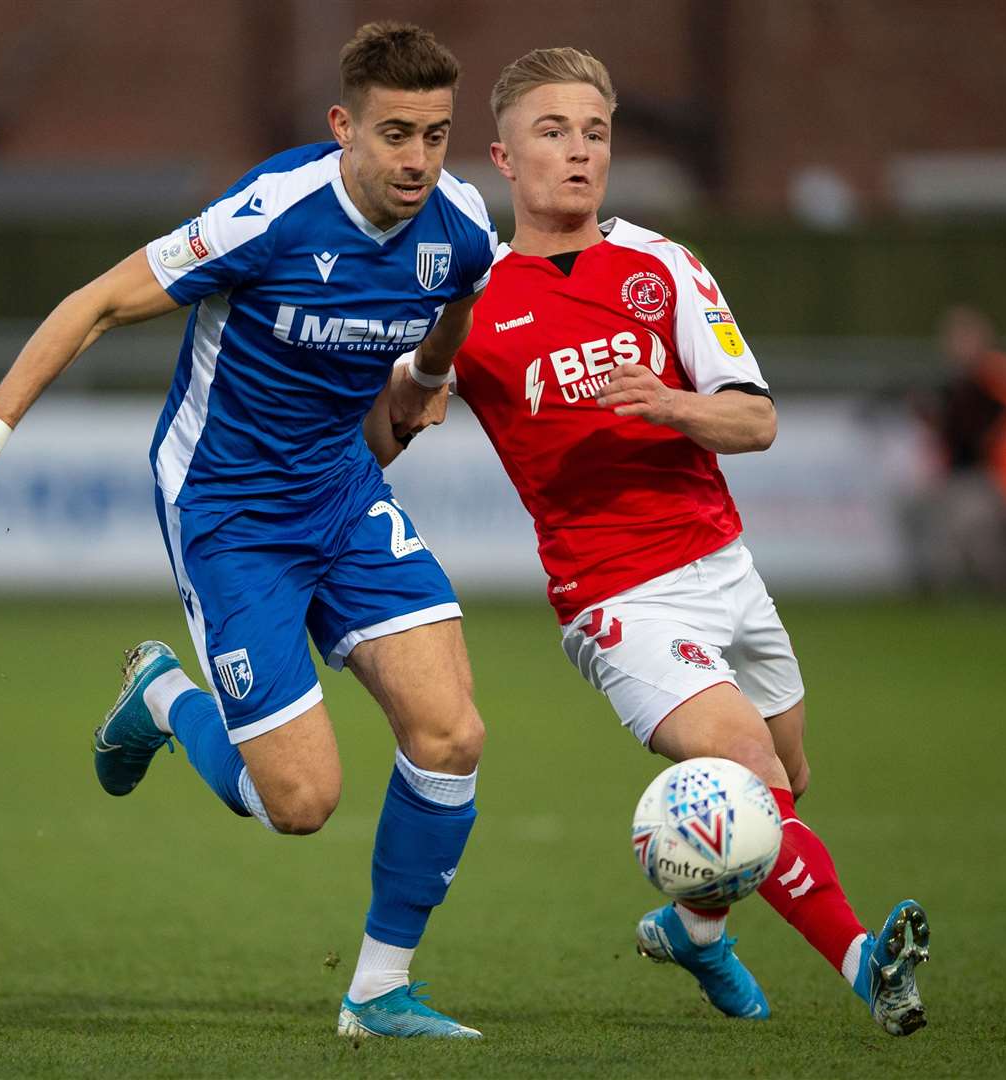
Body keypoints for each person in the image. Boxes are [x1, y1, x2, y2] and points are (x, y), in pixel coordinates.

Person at [0, 22, 497, 1040]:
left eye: (434, 135)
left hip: (343, 494)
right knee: (300, 803)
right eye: (394, 134)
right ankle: (164, 695)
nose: (415, 160)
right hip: (229, 510)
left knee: (452, 735)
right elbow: (96, 303)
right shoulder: (270, 215)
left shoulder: (462, 223)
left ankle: (379, 993)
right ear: (343, 125)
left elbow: (456, 295)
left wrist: (424, 383)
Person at [367, 47, 930, 1037]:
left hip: (725, 570)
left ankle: (694, 931)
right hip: (614, 596)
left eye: (594, 131)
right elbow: (383, 430)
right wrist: (414, 400)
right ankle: (867, 967)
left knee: (786, 789)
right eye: (552, 132)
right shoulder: (472, 297)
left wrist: (670, 404)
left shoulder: (661, 267)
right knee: (750, 777)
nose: (578, 152)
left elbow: (754, 421)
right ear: (502, 155)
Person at [906, 304, 1006, 592]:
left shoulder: (999, 378)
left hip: (1000, 479)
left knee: (970, 520)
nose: (957, 346)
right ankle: (941, 588)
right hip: (962, 479)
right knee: (920, 508)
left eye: (964, 337)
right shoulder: (955, 383)